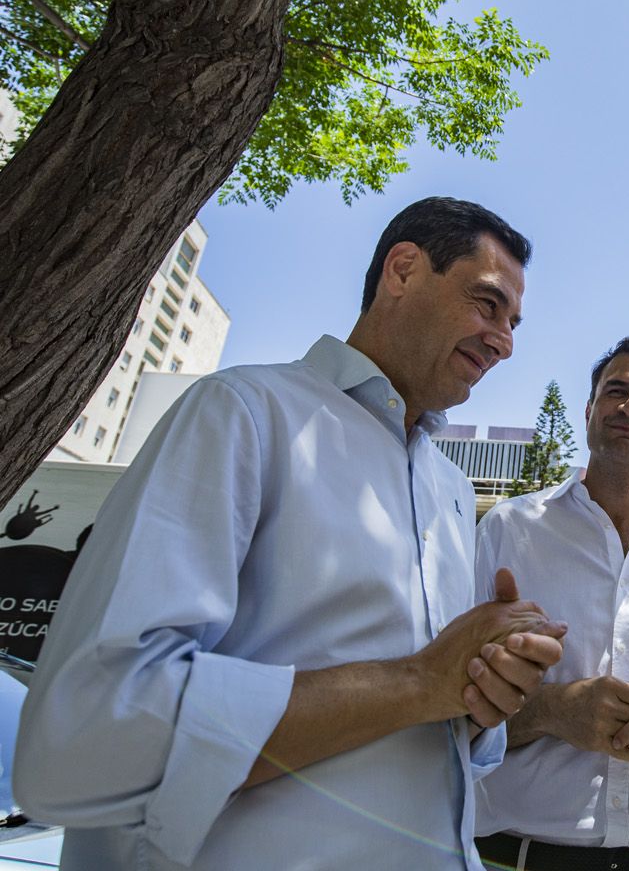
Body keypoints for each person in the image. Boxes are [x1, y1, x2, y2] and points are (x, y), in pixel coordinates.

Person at [14, 197, 565, 871]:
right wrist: (422, 681)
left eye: (513, 322)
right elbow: (94, 733)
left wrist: (479, 697)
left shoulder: (450, 490)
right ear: (402, 270)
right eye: (487, 304)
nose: (504, 341)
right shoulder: (241, 413)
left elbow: (436, 728)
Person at [469, 337, 629, 871]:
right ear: (589, 412)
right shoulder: (508, 532)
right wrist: (551, 710)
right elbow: (449, 714)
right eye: (617, 390)